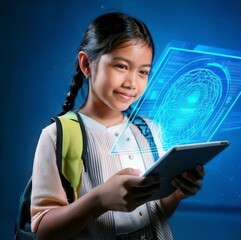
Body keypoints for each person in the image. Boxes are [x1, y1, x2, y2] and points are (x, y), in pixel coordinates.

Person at [30, 12, 205, 240]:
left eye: (143, 71)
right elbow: (44, 230)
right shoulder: (57, 136)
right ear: (86, 64)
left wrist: (176, 194)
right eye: (121, 66)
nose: (132, 82)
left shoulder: (149, 131)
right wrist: (99, 200)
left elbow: (154, 214)